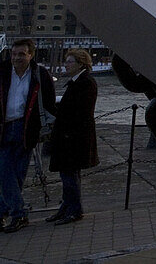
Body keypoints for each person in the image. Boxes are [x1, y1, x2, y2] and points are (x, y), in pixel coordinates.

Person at [0, 38, 56, 233]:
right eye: (14, 54)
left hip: (26, 130)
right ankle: (18, 213)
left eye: (21, 54)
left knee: (17, 174)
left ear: (31, 55)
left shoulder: (40, 74)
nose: (16, 58)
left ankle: (4, 213)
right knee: (4, 172)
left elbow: (49, 103)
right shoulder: (3, 71)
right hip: (4, 128)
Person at [46, 49, 98, 225]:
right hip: (70, 136)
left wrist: (66, 130)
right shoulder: (78, 82)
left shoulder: (85, 83)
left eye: (70, 62)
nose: (65, 65)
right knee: (69, 174)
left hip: (73, 138)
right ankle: (67, 207)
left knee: (69, 174)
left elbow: (81, 112)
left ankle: (74, 209)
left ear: (80, 64)